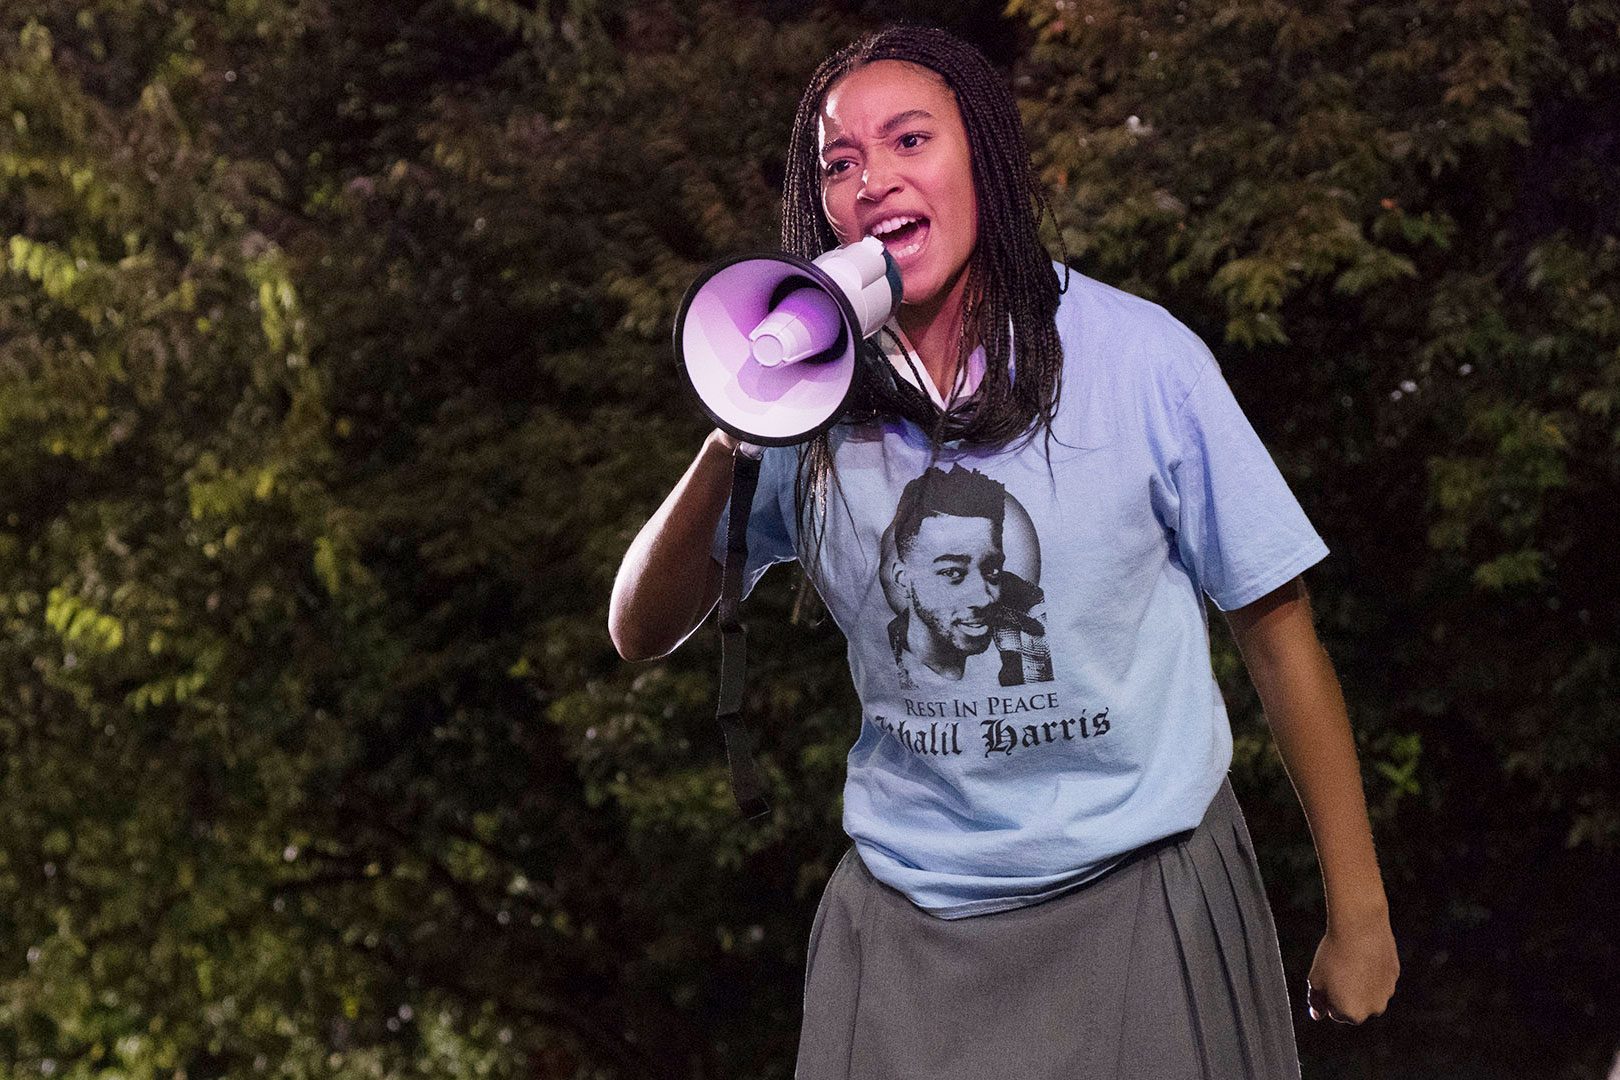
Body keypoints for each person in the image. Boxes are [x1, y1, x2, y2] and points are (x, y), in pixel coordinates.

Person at [609, 23, 1399, 1080]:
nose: (873, 180)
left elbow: (1276, 623)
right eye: (840, 163)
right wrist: (736, 427)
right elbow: (639, 627)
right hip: (909, 928)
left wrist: (1361, 914)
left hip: (1143, 889)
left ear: (979, 155)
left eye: (908, 140)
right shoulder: (810, 416)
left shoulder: (1139, 358)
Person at [884, 464, 1053, 689]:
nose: (983, 599)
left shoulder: (1027, 635)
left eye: (992, 570)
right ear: (902, 578)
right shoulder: (894, 661)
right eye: (952, 572)